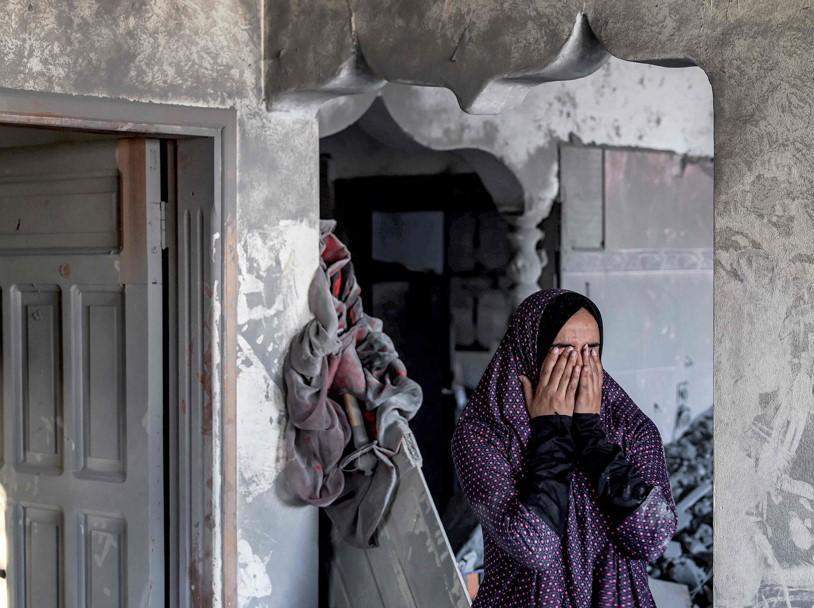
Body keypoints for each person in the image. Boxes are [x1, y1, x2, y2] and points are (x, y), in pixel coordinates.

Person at [451, 288, 678, 607]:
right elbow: (536, 547)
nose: (580, 366)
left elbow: (653, 539)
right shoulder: (485, 435)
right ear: (531, 351)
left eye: (591, 350)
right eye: (563, 351)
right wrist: (551, 432)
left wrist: (591, 437)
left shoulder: (630, 427)